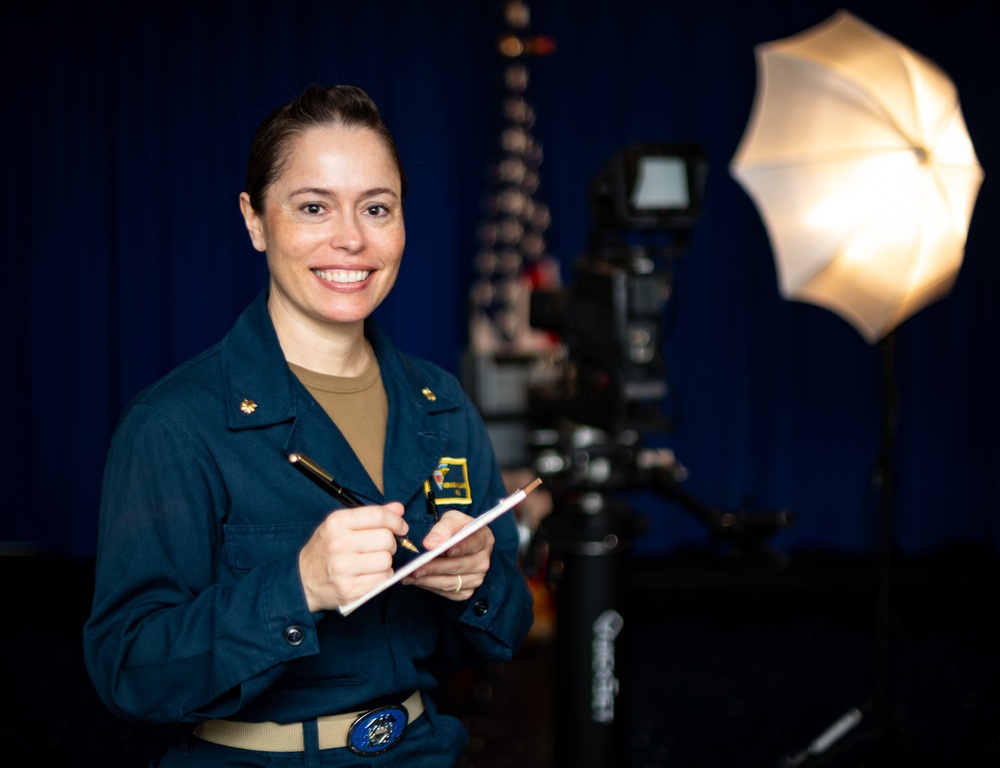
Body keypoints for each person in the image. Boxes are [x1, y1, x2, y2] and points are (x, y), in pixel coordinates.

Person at [83, 84, 535, 767]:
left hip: (421, 751)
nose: (350, 238)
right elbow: (130, 670)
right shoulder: (174, 424)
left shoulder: (441, 403)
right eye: (313, 207)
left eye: (376, 208)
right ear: (256, 220)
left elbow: (506, 630)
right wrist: (300, 588)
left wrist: (475, 579)